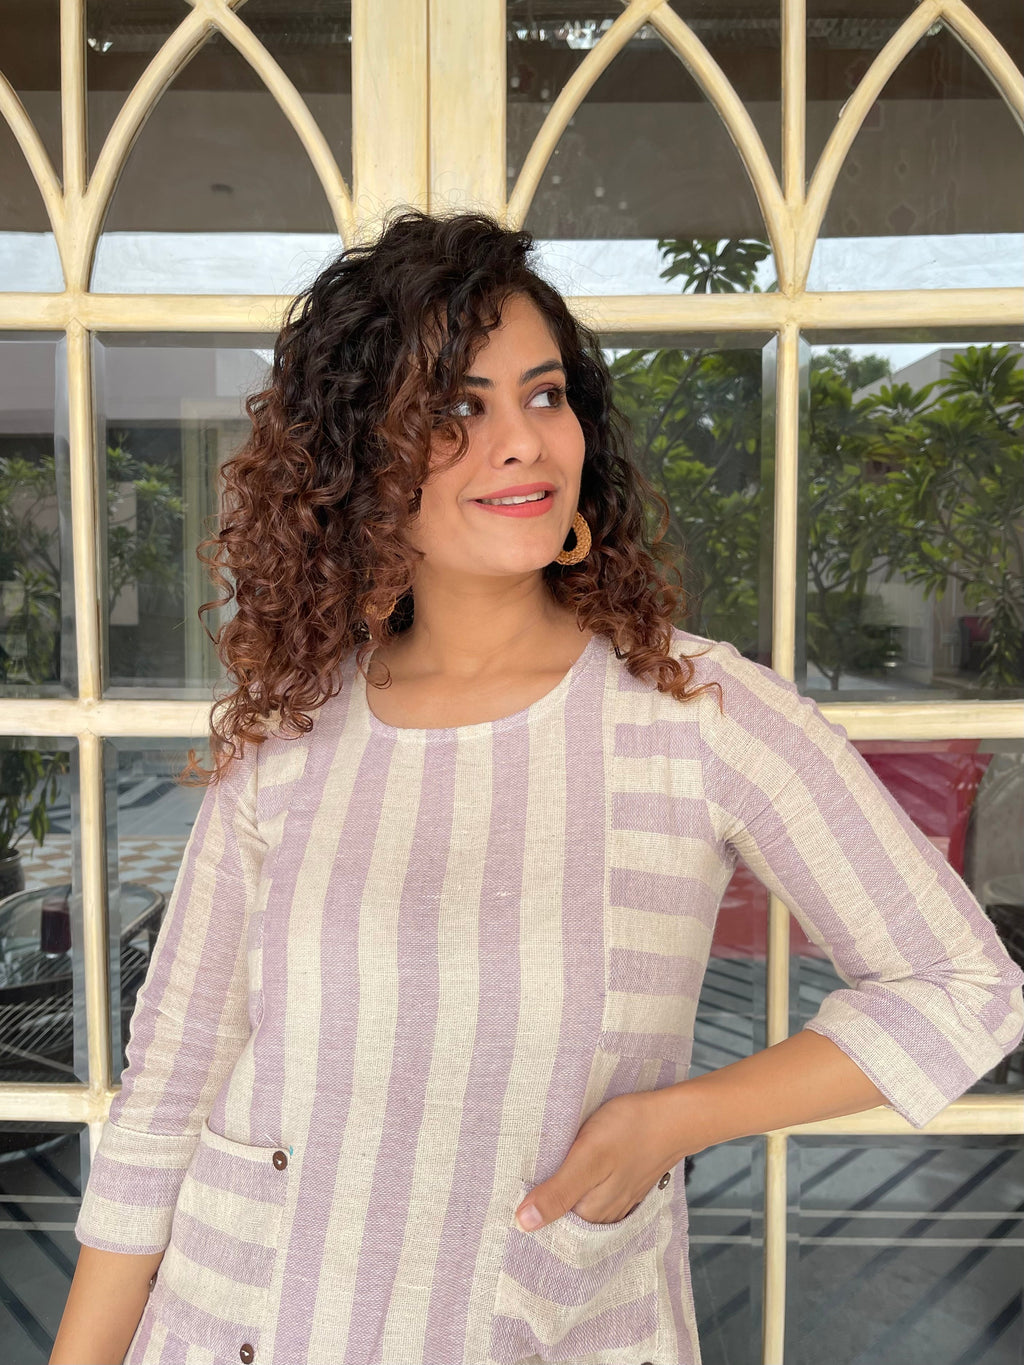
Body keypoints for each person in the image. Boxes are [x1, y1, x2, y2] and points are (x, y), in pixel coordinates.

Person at [53, 208, 1024, 1365]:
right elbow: (168, 1092)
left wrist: (672, 1121)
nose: (521, 442)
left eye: (544, 394)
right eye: (456, 410)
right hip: (239, 1327)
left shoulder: (693, 710)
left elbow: (961, 985)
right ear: (361, 460)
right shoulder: (295, 729)